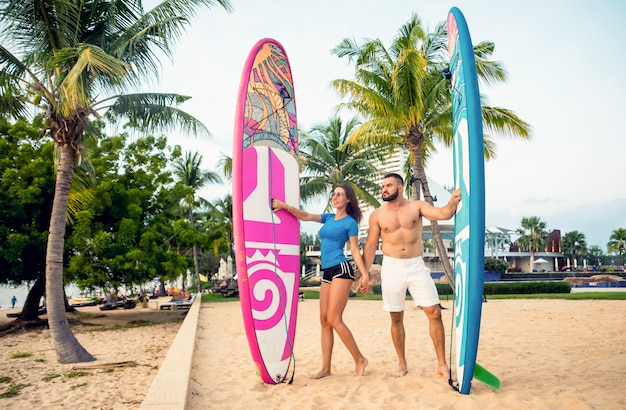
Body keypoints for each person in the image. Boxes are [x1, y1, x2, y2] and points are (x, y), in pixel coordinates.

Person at [363, 173, 461, 379]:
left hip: (416, 265)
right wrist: (364, 274)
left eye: (388, 185)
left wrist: (452, 201)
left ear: (399, 187)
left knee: (434, 312)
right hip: (391, 267)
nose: (384, 189)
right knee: (396, 316)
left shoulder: (417, 206)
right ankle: (402, 363)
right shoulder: (378, 215)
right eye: (383, 186)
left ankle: (442, 364)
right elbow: (371, 245)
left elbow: (443, 213)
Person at [272, 183, 369, 378]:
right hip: (327, 271)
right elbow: (306, 216)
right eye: (334, 194)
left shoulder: (350, 222)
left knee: (334, 319)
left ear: (348, 199)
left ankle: (360, 359)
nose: (335, 197)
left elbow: (355, 250)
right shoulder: (328, 218)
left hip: (341, 269)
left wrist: (364, 273)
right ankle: (326, 368)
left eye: (339, 195)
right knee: (324, 320)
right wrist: (284, 206)